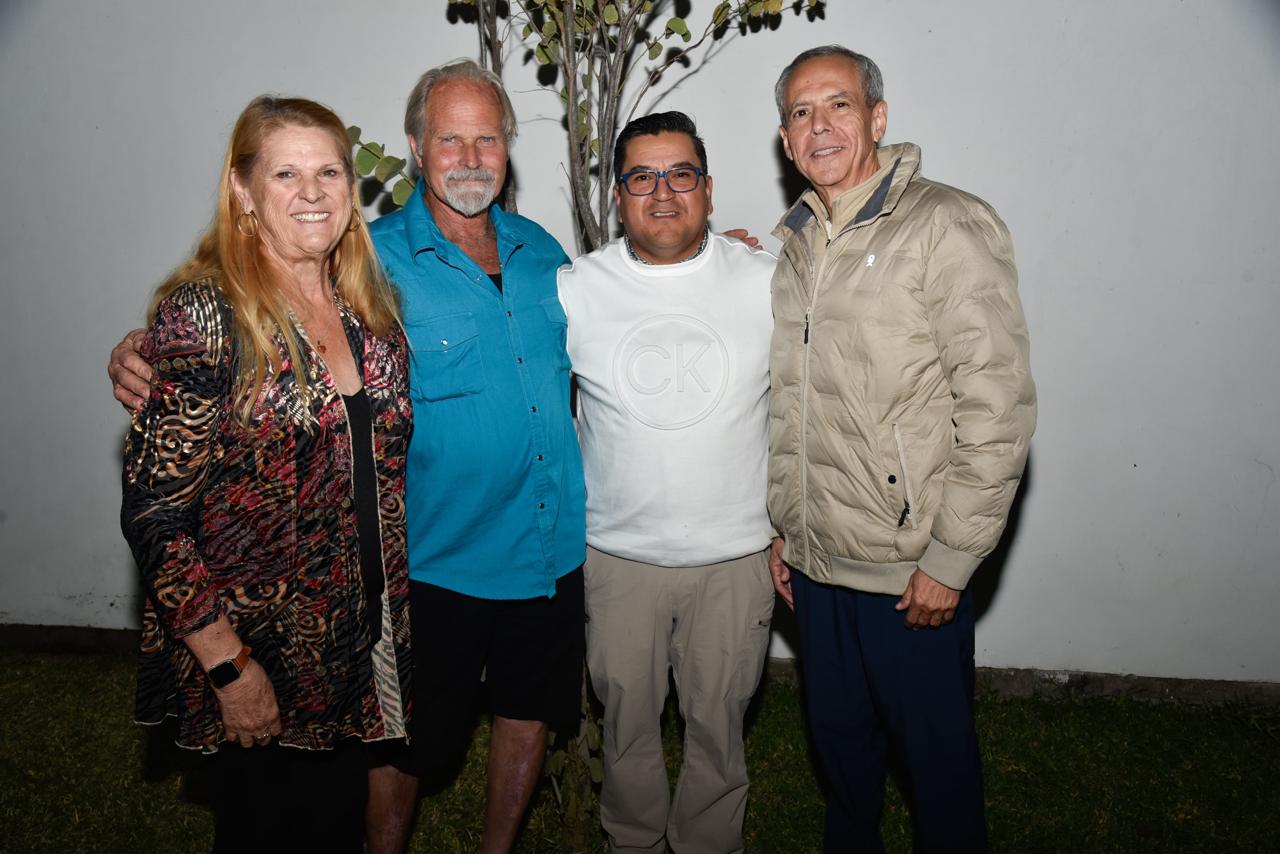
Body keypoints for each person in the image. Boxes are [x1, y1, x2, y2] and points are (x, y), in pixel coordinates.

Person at [110, 60, 585, 854]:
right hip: (321, 611)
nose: (471, 157)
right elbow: (159, 504)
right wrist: (140, 352)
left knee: (347, 807)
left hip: (387, 612)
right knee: (295, 813)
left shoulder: (405, 287)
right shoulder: (326, 276)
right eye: (450, 139)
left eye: (328, 173)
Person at [120, 96, 413, 853]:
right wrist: (228, 666)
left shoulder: (366, 309)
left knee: (333, 827)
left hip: (352, 639)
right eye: (286, 173)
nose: (312, 191)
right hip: (261, 652)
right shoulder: (208, 313)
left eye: (329, 172)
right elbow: (154, 513)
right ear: (243, 190)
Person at [766, 46, 1037, 853]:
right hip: (818, 568)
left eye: (839, 105)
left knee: (938, 781)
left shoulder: (945, 224)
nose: (820, 125)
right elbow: (798, 401)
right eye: (801, 112)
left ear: (877, 118)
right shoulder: (797, 243)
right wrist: (788, 526)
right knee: (844, 769)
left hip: (907, 574)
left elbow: (997, 406)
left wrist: (950, 561)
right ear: (785, 139)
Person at [557, 111, 776, 854]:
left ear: (708, 190)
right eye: (642, 177)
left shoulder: (768, 283)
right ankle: (632, 843)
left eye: (681, 174)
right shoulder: (575, 291)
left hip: (736, 555)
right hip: (618, 557)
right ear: (619, 196)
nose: (662, 192)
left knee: (720, 729)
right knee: (625, 728)